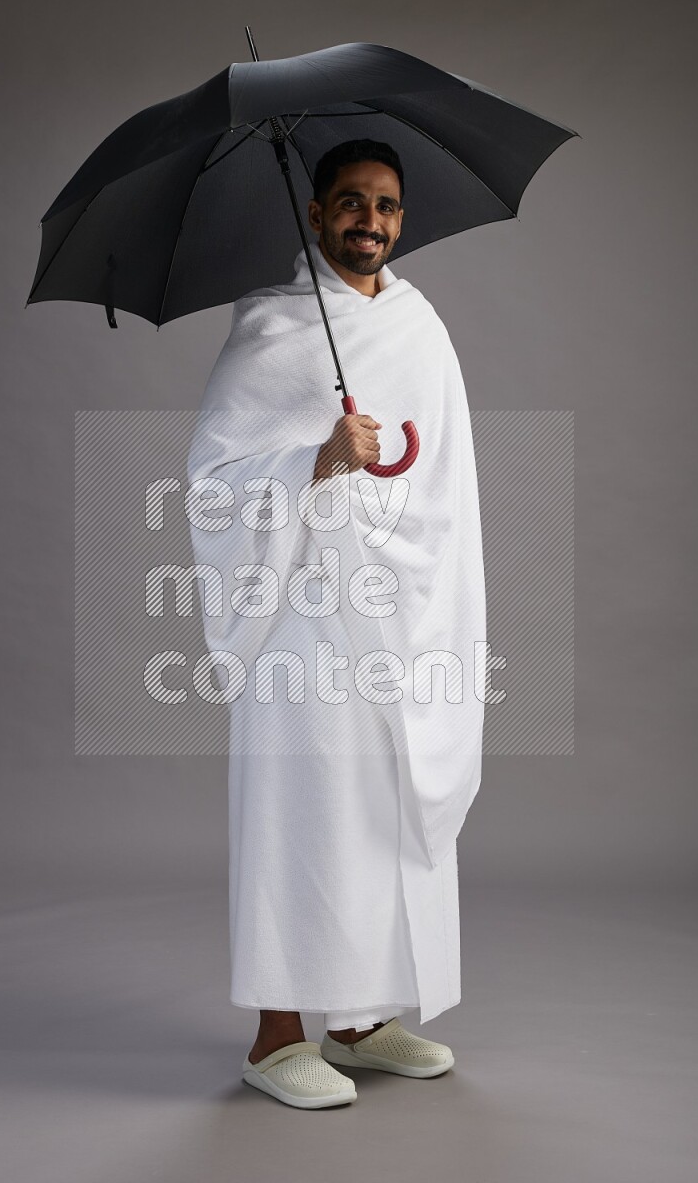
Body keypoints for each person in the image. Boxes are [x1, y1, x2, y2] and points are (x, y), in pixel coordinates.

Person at [186, 140, 486, 1109]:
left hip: (397, 614)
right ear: (314, 215)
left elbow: (447, 485)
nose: (370, 220)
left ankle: (356, 1020)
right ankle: (276, 1036)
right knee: (303, 813)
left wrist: (420, 579)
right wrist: (312, 459)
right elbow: (211, 488)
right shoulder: (271, 330)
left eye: (386, 206)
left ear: (401, 220)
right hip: (300, 622)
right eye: (349, 203)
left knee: (375, 814)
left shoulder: (420, 326)